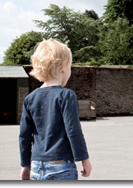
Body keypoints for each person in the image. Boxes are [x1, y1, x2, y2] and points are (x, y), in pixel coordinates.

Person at [19, 38, 92, 180]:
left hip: (36, 166)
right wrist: (84, 159)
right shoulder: (66, 95)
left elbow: (24, 136)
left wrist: (25, 165)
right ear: (63, 67)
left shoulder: (30, 99)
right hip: (61, 165)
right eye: (71, 66)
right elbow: (73, 130)